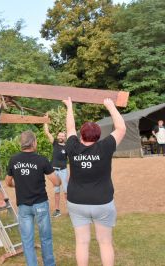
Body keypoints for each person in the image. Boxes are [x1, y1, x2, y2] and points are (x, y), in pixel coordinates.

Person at [63, 97, 126, 266]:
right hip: (102, 202)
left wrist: (69, 106)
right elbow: (121, 127)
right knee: (105, 243)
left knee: (82, 243)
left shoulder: (72, 146)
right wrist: (110, 106)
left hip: (77, 202)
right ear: (98, 135)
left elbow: (70, 128)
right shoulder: (105, 146)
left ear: (81, 135)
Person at [5, 130, 60, 266]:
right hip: (40, 204)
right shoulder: (42, 160)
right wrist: (60, 179)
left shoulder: (14, 159)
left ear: (21, 143)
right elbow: (56, 182)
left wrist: (18, 185)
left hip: (23, 206)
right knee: (45, 238)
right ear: (34, 143)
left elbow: (7, 182)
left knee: (27, 240)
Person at [43, 121, 68, 218]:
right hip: (54, 171)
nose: (61, 137)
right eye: (60, 136)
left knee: (66, 191)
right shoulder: (55, 144)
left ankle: (70, 210)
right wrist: (45, 121)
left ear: (65, 138)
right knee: (56, 191)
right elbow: (47, 132)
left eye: (63, 136)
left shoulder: (67, 147)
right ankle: (57, 210)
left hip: (63, 171)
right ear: (57, 137)